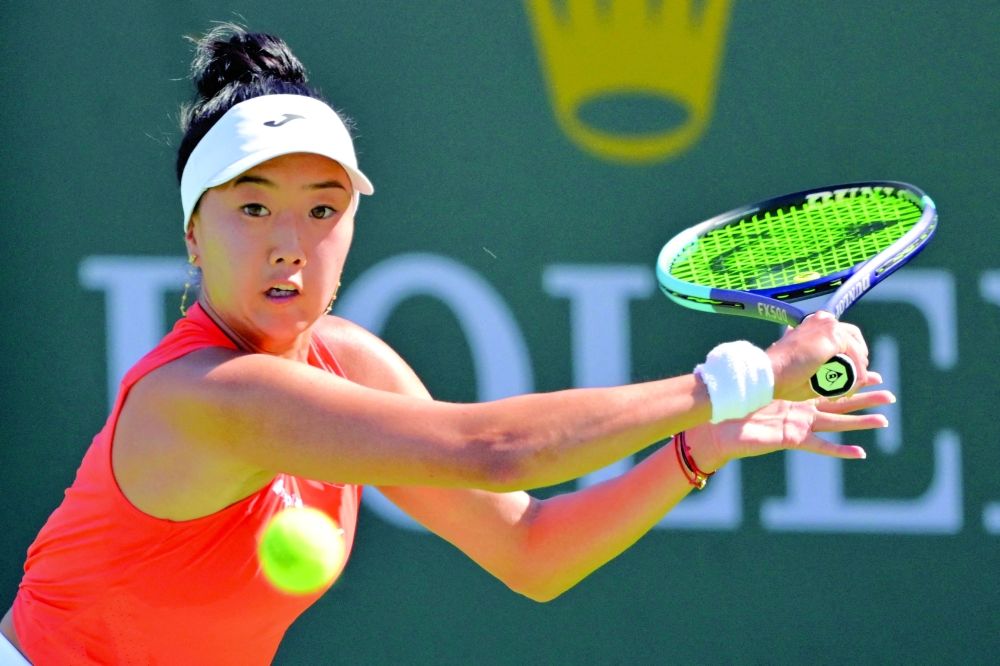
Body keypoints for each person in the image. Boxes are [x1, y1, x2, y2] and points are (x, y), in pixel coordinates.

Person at [0, 25, 891, 666]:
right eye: (253, 207)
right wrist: (744, 376)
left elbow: (531, 551)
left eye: (323, 210)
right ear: (194, 235)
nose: (288, 242)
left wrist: (695, 451)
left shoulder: (347, 361)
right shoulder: (201, 397)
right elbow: (495, 452)